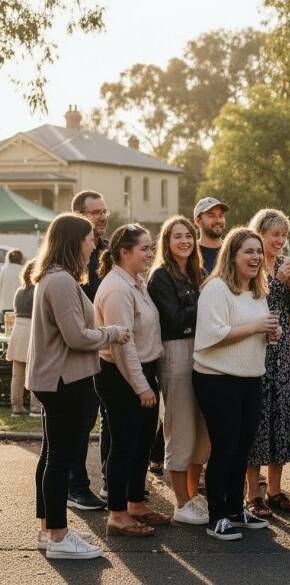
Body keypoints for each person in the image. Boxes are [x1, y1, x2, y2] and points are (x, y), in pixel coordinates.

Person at [27, 213, 129, 559]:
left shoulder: (56, 279)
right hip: (64, 380)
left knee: (52, 456)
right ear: (74, 241)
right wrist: (112, 333)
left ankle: (49, 531)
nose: (93, 244)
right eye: (88, 239)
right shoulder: (60, 282)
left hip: (58, 378)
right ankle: (58, 536)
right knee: (61, 458)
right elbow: (75, 336)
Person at [193, 227, 280, 541]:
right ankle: (217, 516)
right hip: (217, 380)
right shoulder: (216, 288)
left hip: (250, 379)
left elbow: (250, 332)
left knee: (243, 448)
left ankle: (234, 509)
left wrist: (269, 334)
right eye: (249, 251)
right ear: (232, 254)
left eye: (258, 252)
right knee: (225, 447)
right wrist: (256, 325)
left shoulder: (257, 292)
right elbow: (211, 336)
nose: (256, 257)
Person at [94, 224, 168, 536]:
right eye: (145, 248)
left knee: (142, 443)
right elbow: (122, 345)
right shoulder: (116, 288)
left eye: (152, 247)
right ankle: (117, 514)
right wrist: (141, 387)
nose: (151, 253)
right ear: (124, 252)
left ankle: (136, 504)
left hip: (143, 371)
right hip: (121, 376)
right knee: (123, 445)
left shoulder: (136, 282)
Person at [147, 216, 210, 525]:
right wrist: (205, 297)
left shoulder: (199, 273)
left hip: (204, 353)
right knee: (181, 426)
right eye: (177, 236)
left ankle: (193, 492)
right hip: (176, 353)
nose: (184, 241)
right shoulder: (160, 277)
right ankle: (181, 502)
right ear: (167, 242)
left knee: (202, 430)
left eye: (188, 235)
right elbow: (173, 320)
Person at [244, 209, 290, 517]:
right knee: (257, 420)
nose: (281, 240)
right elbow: (256, 305)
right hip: (256, 349)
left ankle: (275, 490)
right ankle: (252, 494)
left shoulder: (284, 266)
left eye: (284, 234)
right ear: (260, 234)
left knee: (281, 416)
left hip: (284, 353)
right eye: (275, 234)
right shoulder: (251, 267)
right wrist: (280, 282)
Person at [68, 190, 111, 511]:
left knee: (108, 418)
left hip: (110, 346)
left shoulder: (109, 251)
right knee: (80, 420)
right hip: (81, 347)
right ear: (80, 215)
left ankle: (113, 481)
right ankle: (76, 485)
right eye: (95, 212)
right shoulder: (71, 258)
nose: (102, 216)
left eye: (104, 211)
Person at [8, 260, 41, 416]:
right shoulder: (37, 291)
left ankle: (16, 407)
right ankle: (35, 406)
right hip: (31, 331)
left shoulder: (19, 291)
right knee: (35, 372)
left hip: (17, 332)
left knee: (17, 374)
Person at [194, 196, 229, 273]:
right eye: (211, 216)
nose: (218, 220)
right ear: (198, 221)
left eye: (221, 215)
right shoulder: (191, 252)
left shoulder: (232, 249)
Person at [0, 249, 25, 313]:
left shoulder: (3, 270)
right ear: (21, 259)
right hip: (19, 307)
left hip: (4, 306)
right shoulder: (23, 270)